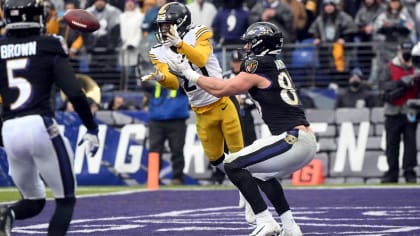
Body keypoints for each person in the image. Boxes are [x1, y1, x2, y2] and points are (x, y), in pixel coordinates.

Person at [167, 21, 317, 236]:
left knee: (232, 164)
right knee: (261, 175)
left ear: (261, 44)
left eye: (250, 43)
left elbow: (223, 89)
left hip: (293, 139)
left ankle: (265, 220)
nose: (246, 48)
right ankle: (290, 227)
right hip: (304, 140)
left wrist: (189, 74)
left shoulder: (259, 65)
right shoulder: (274, 64)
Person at [0, 0, 100, 235]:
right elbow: (74, 91)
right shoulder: (49, 44)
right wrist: (91, 127)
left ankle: (7, 213)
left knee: (33, 201)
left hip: (9, 128)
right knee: (66, 200)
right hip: (39, 124)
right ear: (37, 17)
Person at [141, 2, 244, 180]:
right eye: (162, 26)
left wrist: (180, 44)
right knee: (216, 159)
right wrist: (161, 78)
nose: (163, 30)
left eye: (167, 25)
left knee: (239, 154)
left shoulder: (199, 32)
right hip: (200, 109)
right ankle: (245, 180)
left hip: (222, 100)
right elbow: (173, 84)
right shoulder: (158, 51)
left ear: (180, 23)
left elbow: (201, 60)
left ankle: (249, 187)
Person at [379, 41, 419, 183]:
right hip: (392, 110)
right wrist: (401, 82)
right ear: (400, 50)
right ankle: (392, 172)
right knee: (392, 143)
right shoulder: (390, 66)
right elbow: (383, 86)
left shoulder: (416, 66)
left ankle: (409, 171)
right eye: (405, 51)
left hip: (411, 110)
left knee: (410, 143)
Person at [142, 81, 190, 185]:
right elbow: (144, 85)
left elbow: (188, 85)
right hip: (157, 120)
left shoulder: (180, 75)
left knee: (177, 150)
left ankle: (177, 178)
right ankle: (153, 178)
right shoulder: (154, 76)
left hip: (177, 119)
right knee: (154, 150)